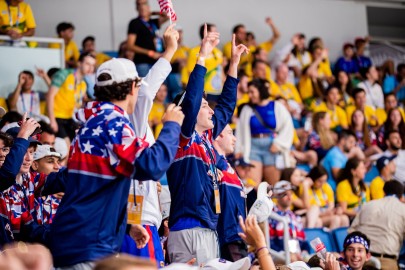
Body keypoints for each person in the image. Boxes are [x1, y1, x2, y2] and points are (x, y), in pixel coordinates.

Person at [48, 57, 185, 268]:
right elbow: (152, 166)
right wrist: (171, 127)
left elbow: (94, 186)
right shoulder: (113, 123)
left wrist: (126, 224)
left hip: (75, 239)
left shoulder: (91, 124)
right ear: (132, 87)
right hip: (89, 244)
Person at [166, 27, 248, 265]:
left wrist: (233, 64)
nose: (210, 110)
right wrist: (202, 56)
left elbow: (226, 105)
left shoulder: (207, 138)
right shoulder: (184, 134)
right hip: (187, 229)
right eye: (204, 106)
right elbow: (191, 101)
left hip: (207, 228)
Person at [235, 79, 294, 186]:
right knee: (252, 185)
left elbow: (288, 126)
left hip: (272, 147)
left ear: (260, 91)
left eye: (252, 92)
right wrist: (238, 149)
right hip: (252, 147)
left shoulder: (276, 106)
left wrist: (279, 144)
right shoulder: (247, 108)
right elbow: (240, 131)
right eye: (249, 92)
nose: (250, 95)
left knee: (274, 185)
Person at [349, 180, 405, 270]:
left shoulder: (368, 205)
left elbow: (351, 233)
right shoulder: (403, 209)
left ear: (384, 192)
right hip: (387, 263)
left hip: (363, 260)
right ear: (401, 196)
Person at [213, 124, 247, 262]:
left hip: (238, 235)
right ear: (218, 135)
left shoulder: (227, 166)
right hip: (227, 236)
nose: (234, 139)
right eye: (230, 133)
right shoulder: (213, 161)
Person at [46, 52, 96, 144]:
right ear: (79, 63)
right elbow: (50, 95)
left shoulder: (83, 84)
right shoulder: (64, 74)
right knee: (67, 145)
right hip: (56, 116)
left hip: (69, 118)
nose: (90, 68)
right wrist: (52, 120)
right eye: (87, 64)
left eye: (93, 65)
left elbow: (77, 104)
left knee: (78, 143)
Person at [181, 23, 224, 101]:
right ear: (206, 34)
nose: (217, 33)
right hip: (203, 91)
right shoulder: (194, 51)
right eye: (214, 31)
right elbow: (191, 72)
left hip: (218, 91)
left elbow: (221, 70)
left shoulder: (218, 52)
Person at [269, 180, 309, 262]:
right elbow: (270, 243)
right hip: (279, 256)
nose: (290, 197)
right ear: (277, 196)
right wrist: (288, 253)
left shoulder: (296, 217)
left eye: (291, 194)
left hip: (297, 256)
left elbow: (304, 242)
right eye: (285, 194)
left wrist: (304, 253)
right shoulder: (271, 216)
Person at [127, 0, 168, 77]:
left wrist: (153, 13)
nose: (142, 7)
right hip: (143, 63)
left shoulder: (153, 22)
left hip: (157, 60)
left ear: (148, 6)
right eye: (139, 4)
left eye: (144, 4)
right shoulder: (134, 23)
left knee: (161, 87)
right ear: (137, 8)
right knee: (146, 87)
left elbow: (168, 16)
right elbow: (129, 45)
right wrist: (150, 53)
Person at [31, 145, 62, 225]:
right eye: (50, 161)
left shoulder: (62, 192)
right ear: (34, 165)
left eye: (58, 162)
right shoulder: (25, 185)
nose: (57, 167)